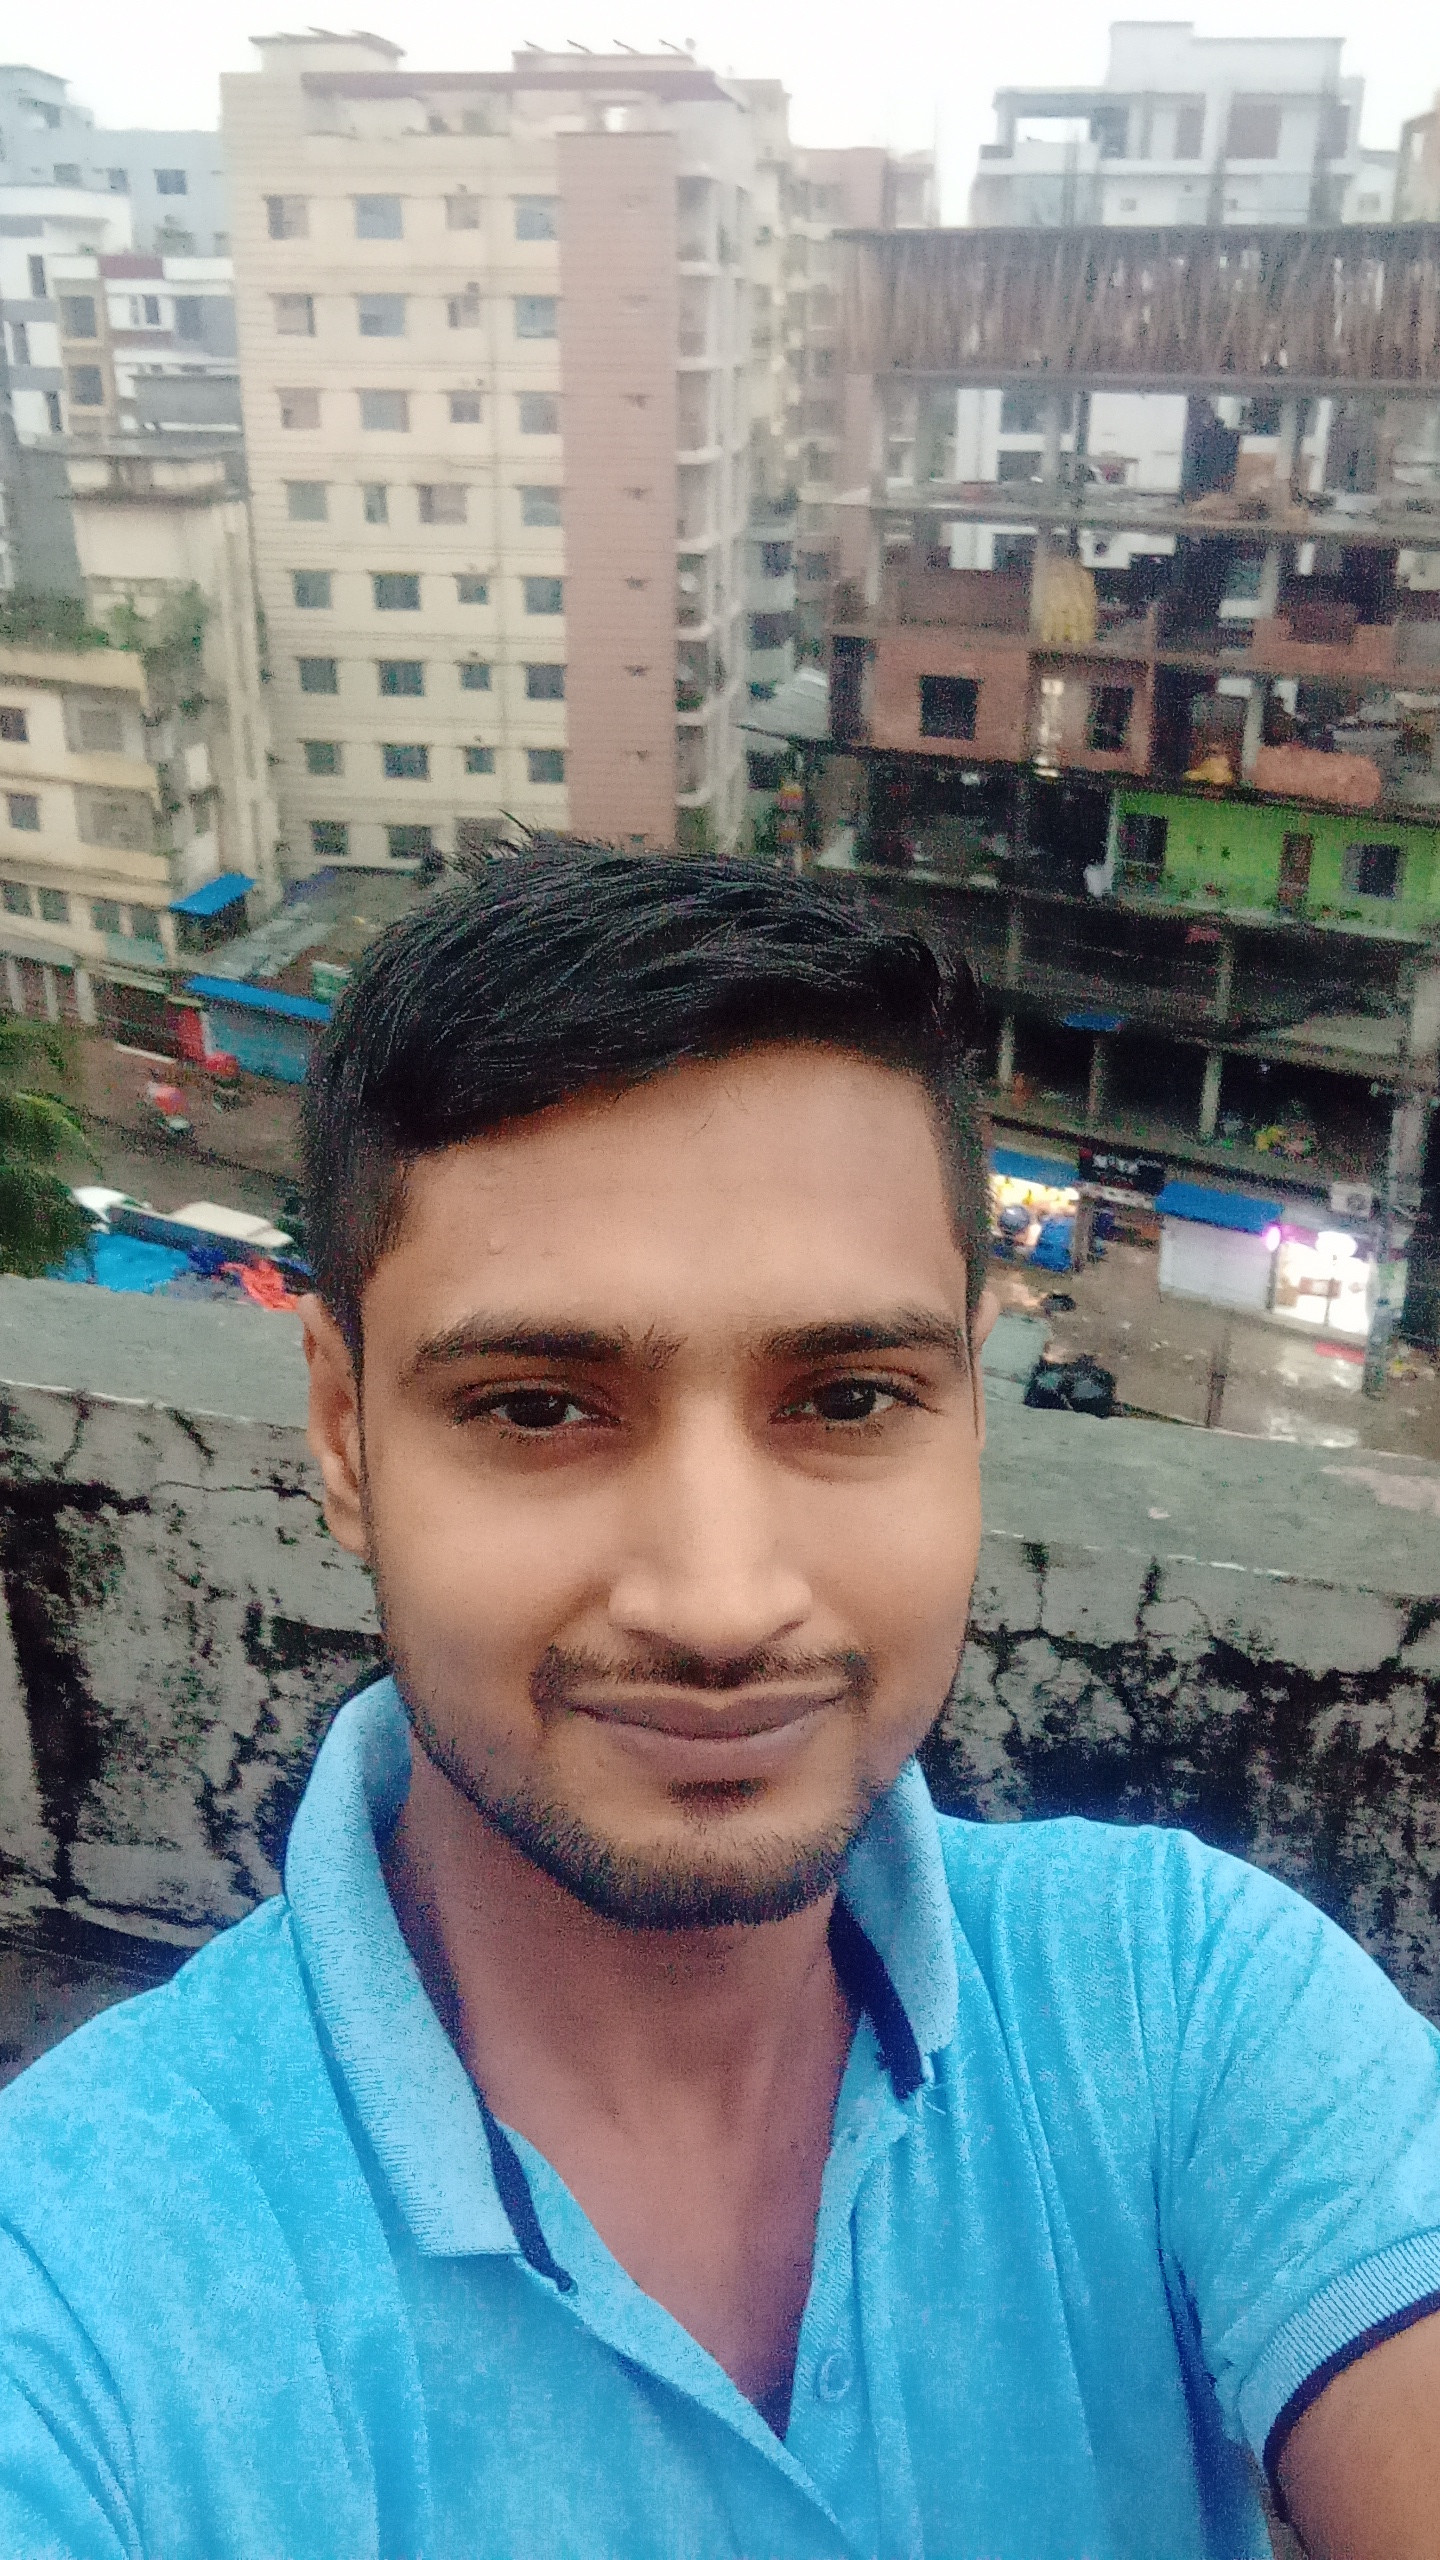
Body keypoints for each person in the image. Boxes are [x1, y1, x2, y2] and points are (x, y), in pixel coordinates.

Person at [0, 857, 1437, 2560]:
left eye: (849, 1397)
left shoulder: (1188, 2006)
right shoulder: (77, 2285)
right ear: (343, 1435)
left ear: (975, 1407)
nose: (718, 1602)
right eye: (539, 1408)